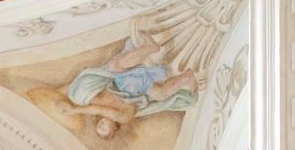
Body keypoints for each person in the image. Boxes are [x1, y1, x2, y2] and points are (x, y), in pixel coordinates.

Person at [64, 34, 198, 138]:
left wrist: (75, 107)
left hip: (123, 80)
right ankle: (186, 77)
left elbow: (96, 105)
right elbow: (100, 110)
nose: (100, 125)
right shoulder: (124, 118)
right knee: (161, 95)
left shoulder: (100, 102)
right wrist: (75, 111)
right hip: (140, 87)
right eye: (104, 129)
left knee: (113, 66)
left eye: (98, 127)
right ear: (114, 129)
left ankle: (150, 48)